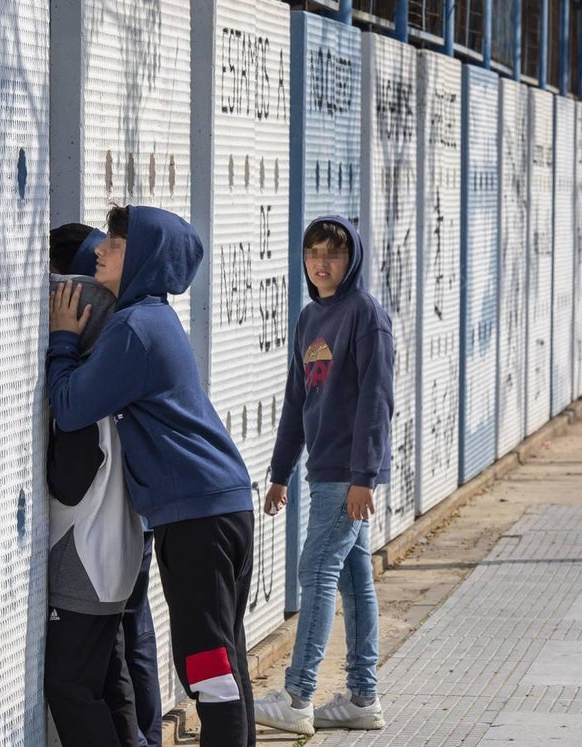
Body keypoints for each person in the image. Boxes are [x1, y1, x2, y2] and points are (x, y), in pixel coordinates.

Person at [47, 205, 257, 747]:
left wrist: (64, 338)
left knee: (208, 667)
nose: (99, 251)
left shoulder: (137, 328)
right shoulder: (153, 318)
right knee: (222, 660)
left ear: (140, 257)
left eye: (114, 245)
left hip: (199, 518)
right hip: (218, 505)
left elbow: (70, 408)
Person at [253, 217, 393, 736]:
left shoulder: (365, 315)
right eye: (313, 253)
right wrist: (280, 471)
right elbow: (297, 402)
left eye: (332, 254)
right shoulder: (310, 318)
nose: (321, 263)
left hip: (348, 475)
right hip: (323, 471)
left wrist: (365, 476)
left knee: (315, 572)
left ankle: (298, 696)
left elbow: (377, 402)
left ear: (350, 259)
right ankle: (362, 698)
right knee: (355, 582)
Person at [46, 223, 163, 747]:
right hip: (115, 561)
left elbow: (67, 484)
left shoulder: (82, 404)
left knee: (70, 687)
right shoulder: (112, 386)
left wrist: (59, 346)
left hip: (85, 568)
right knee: (111, 682)